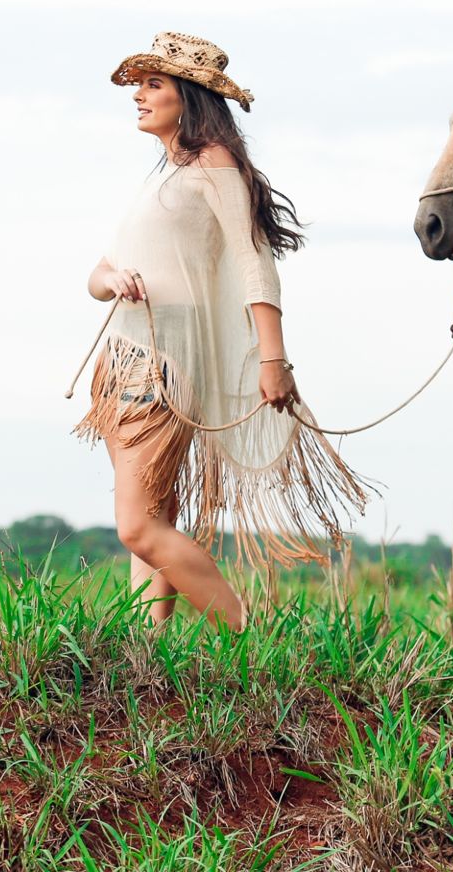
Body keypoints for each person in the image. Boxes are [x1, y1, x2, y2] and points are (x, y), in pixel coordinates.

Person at [74, 32, 374, 632]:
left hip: (162, 359)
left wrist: (273, 360)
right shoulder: (164, 173)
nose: (138, 95)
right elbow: (96, 274)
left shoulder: (212, 161)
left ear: (188, 96)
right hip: (123, 354)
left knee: (138, 525)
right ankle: (145, 651)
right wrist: (113, 278)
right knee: (155, 517)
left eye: (153, 84)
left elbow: (253, 261)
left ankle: (249, 633)